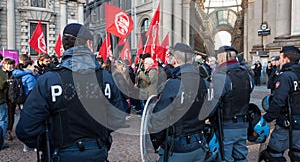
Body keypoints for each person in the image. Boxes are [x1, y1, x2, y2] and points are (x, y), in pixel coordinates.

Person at [16, 23, 128, 161]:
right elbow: (118, 117)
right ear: (88, 43)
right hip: (96, 152)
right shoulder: (106, 78)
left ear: (64, 45)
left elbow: (26, 129)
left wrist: (50, 140)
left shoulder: (48, 80)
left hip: (61, 153)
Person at [150, 43, 209, 161]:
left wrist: (156, 141)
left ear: (175, 61)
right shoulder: (203, 82)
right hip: (199, 141)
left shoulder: (173, 84)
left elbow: (159, 117)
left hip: (178, 144)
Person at [209, 46, 254, 162]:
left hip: (226, 125)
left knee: (225, 158)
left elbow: (213, 103)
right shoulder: (247, 75)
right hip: (243, 123)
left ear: (222, 57)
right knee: (241, 157)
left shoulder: (220, 77)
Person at [260, 46, 300, 162]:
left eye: (281, 58)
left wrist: (267, 118)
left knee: (273, 154)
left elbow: (278, 101)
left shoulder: (285, 76)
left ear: (287, 59)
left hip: (287, 123)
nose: (280, 61)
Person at [0, 58, 11, 150]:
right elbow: (2, 85)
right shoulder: (1, 73)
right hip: (1, 100)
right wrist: (8, 83)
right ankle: (1, 142)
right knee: (3, 120)